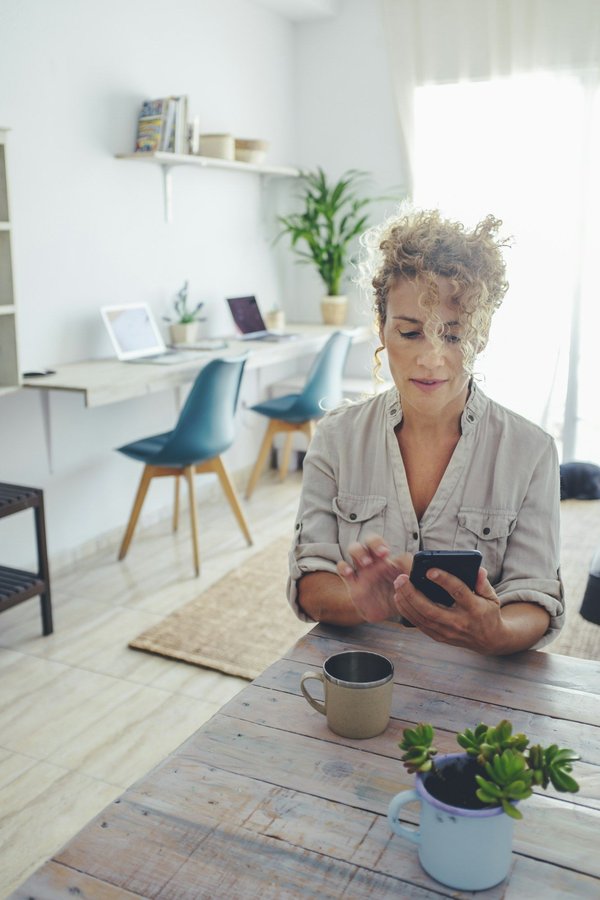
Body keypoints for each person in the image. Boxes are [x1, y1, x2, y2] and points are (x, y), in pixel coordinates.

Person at [287, 207, 564, 655]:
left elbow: (535, 597)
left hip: (476, 684)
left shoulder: (531, 451)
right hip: (362, 679)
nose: (432, 358)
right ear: (381, 329)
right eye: (411, 333)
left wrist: (495, 631)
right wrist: (362, 601)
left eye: (452, 336)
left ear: (481, 335)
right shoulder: (337, 438)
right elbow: (310, 584)